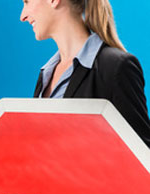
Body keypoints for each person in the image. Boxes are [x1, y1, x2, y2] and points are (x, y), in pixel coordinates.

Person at [20, 0, 150, 146]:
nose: (22, 16)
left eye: (27, 2)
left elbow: (142, 156)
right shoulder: (46, 74)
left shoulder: (115, 67)